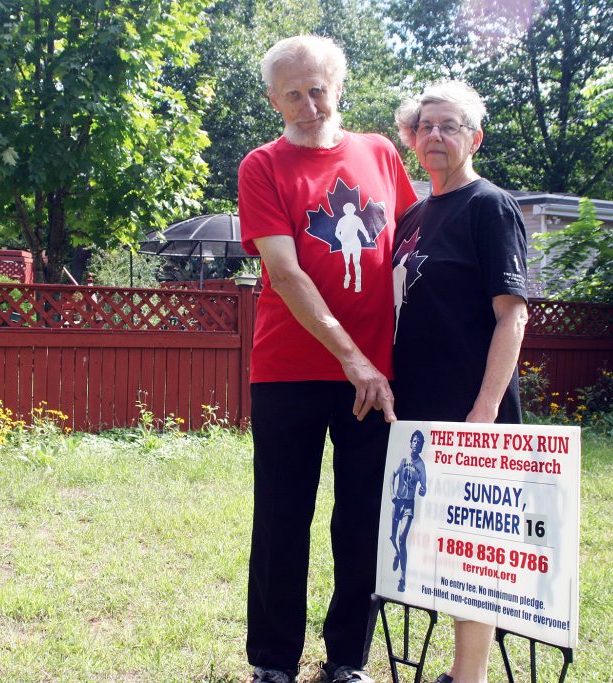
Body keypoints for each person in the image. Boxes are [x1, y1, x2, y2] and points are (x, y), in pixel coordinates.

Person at [238, 34, 417, 683]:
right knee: (283, 514)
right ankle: (273, 661)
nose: (310, 104)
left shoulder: (380, 154)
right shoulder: (262, 165)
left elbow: (413, 250)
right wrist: (353, 355)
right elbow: (283, 272)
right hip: (289, 369)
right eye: (294, 93)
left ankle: (348, 657)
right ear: (273, 99)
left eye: (319, 88)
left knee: (364, 515)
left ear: (339, 86)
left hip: (375, 376)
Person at [391, 80, 530, 683]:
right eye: (425, 126)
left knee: (472, 550)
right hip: (416, 409)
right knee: (434, 546)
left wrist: (485, 407)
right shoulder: (415, 216)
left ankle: (466, 676)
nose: (435, 136)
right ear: (412, 139)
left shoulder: (489, 205)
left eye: (449, 126)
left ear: (474, 137)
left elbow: (513, 314)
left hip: (471, 410)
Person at [389, 429, 427, 593]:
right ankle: (397, 553)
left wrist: (422, 490)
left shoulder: (421, 466)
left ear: (421, 447)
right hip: (397, 503)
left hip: (409, 506)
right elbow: (393, 474)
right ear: (410, 443)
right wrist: (392, 494)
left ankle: (402, 578)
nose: (416, 444)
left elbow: (424, 487)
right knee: (392, 537)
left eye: (419, 442)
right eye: (414, 441)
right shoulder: (403, 459)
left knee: (401, 538)